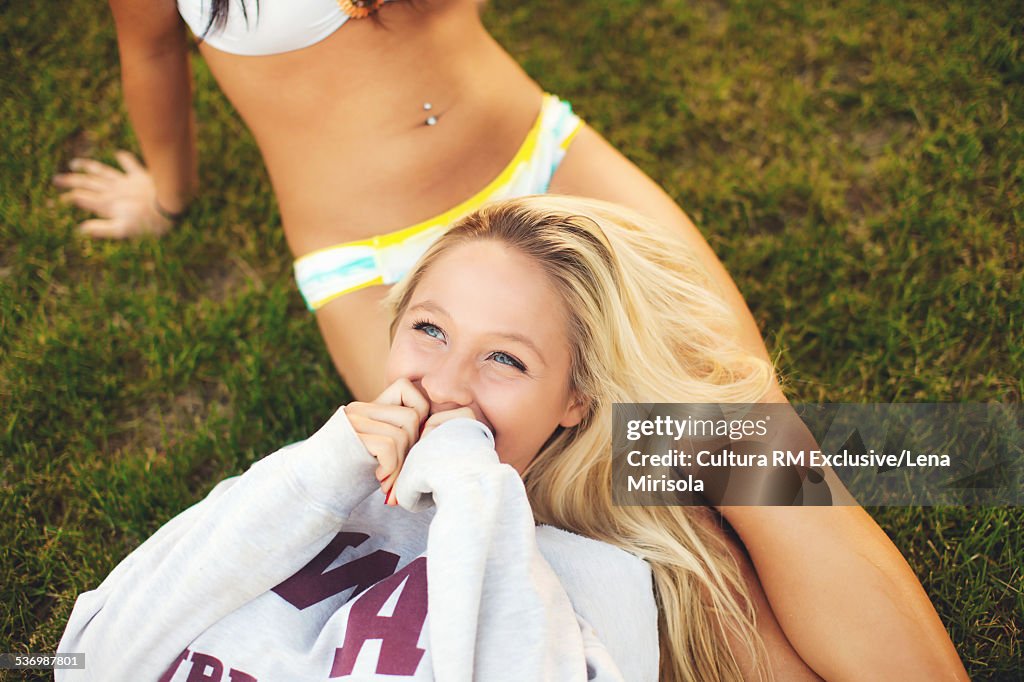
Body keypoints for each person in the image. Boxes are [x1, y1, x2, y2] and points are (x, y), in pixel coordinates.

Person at [58, 197, 968, 681]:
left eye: (505, 358)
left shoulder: (632, 564)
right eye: (428, 329)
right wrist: (319, 470)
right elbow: (90, 651)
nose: (445, 386)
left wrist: (736, 433)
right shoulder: (306, 482)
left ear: (575, 398)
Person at [52, 0, 783, 403]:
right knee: (567, 515)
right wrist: (167, 196)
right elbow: (149, 51)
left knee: (757, 427)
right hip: (378, 264)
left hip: (542, 157)